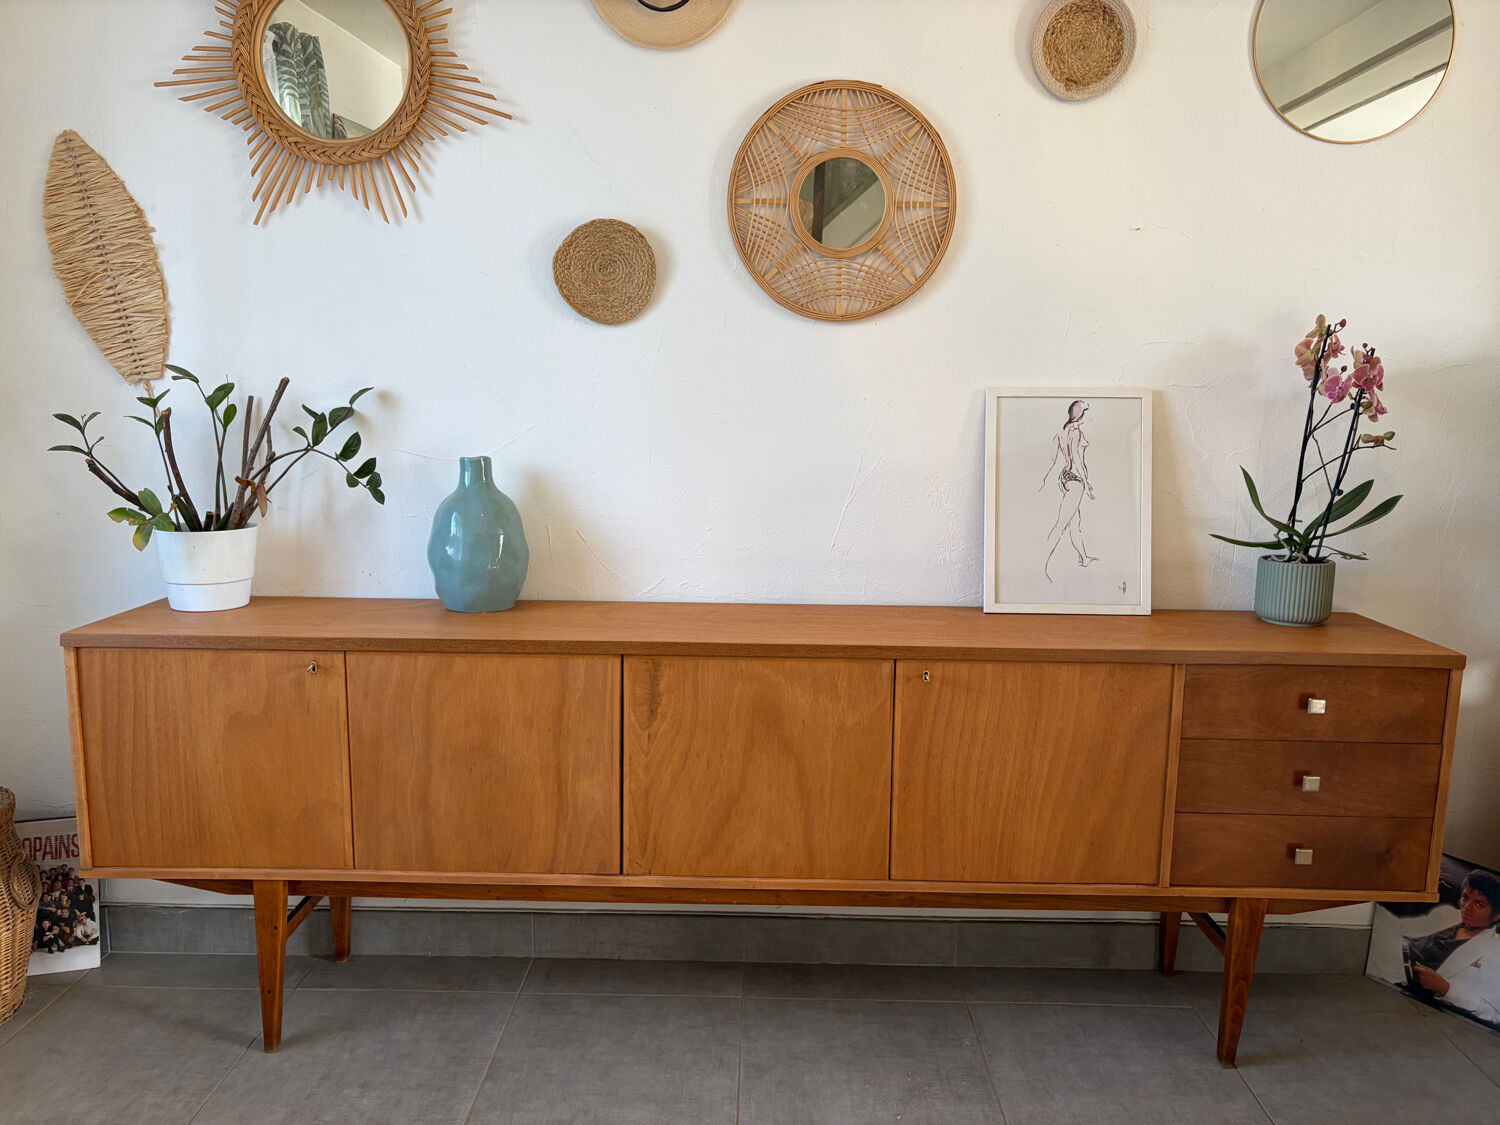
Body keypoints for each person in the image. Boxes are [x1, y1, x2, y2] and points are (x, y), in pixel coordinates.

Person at [1411, 870, 1500, 1024]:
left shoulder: (1496, 952)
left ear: (1497, 915)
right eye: (1465, 898)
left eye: (1479, 904)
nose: (1467, 907)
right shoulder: (1444, 929)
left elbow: (1494, 1015)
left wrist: (1446, 989)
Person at [1037, 399, 1098, 581]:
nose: (1089, 416)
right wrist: (1086, 484)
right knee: (1060, 525)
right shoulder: (1075, 431)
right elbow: (1078, 460)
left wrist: (1045, 480)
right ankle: (1040, 568)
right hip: (1076, 481)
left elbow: (1052, 459)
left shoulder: (1061, 432)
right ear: (1081, 414)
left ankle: (1084, 558)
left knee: (1074, 523)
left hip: (1065, 478)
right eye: (1087, 412)